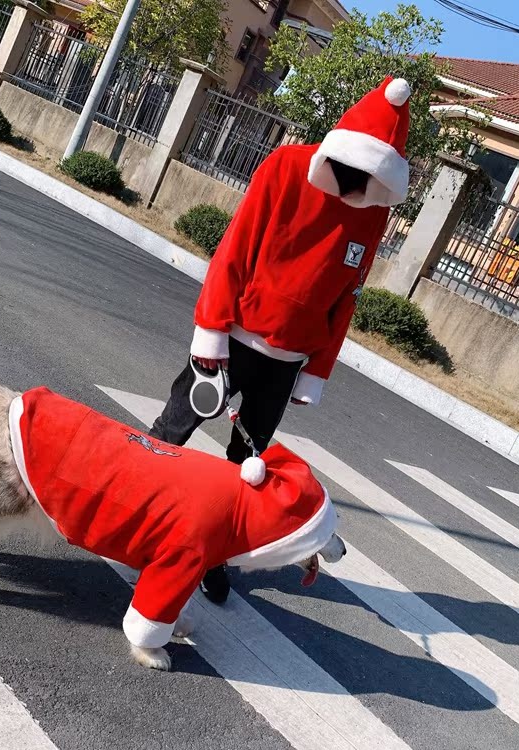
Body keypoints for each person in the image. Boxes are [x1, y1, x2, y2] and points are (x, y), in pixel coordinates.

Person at [150, 75, 412, 603]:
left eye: (371, 180)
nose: (357, 189)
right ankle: (134, 508)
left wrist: (316, 371)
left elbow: (348, 296)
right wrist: (212, 330)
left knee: (244, 466)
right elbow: (236, 249)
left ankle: (211, 553)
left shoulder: (375, 209)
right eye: (356, 174)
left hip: (287, 360)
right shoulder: (287, 167)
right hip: (234, 338)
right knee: (171, 430)